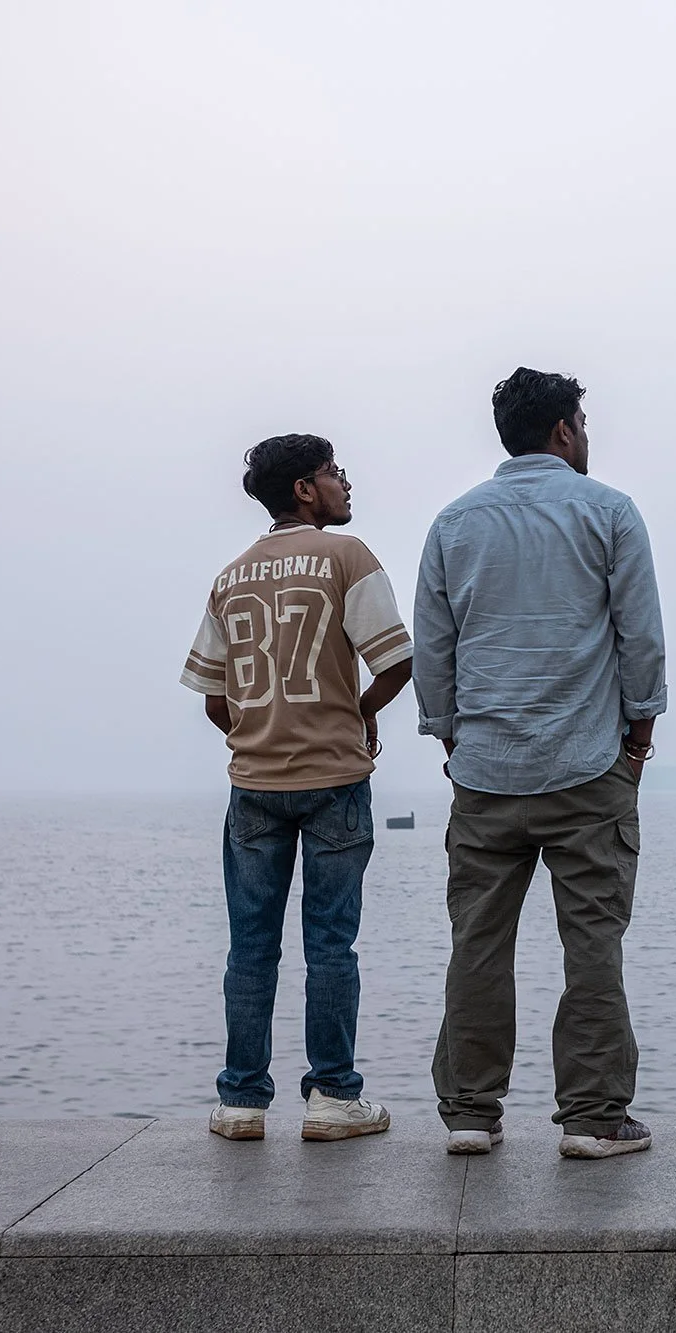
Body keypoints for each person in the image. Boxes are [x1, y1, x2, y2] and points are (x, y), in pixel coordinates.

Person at [414, 367, 667, 1160]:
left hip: (484, 774)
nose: (586, 435)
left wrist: (452, 738)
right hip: (588, 767)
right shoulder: (609, 511)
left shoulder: (454, 523)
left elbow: (434, 649)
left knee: (477, 943)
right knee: (592, 944)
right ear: (563, 430)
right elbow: (640, 636)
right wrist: (637, 738)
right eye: (582, 422)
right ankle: (593, 1118)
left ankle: (470, 1111)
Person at [180, 433, 413, 1144]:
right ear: (306, 490)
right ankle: (333, 1095)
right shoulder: (348, 557)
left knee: (250, 947)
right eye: (335, 473)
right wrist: (359, 714)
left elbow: (214, 697)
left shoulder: (231, 576)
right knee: (331, 944)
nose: (346, 483)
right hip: (335, 777)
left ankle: (241, 1101)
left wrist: (259, 733)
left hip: (253, 785)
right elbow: (397, 661)